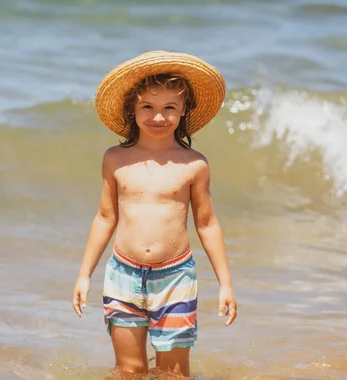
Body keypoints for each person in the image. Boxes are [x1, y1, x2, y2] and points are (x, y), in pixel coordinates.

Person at [72, 50, 237, 378]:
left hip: (175, 277)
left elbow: (206, 223)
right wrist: (84, 274)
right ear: (132, 108)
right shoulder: (115, 159)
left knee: (173, 373)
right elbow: (105, 217)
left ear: (183, 111)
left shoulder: (194, 164)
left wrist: (225, 283)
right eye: (147, 106)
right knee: (128, 370)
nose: (157, 117)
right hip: (123, 274)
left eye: (169, 108)